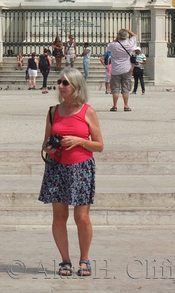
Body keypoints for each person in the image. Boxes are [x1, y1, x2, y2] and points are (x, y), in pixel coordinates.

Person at [39, 67, 104, 277]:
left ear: (76, 86)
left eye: (65, 83)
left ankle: (84, 258)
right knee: (59, 217)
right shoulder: (53, 111)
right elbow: (45, 143)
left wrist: (79, 141)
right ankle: (65, 260)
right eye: (59, 82)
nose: (60, 86)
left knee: (81, 217)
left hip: (81, 169)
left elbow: (100, 145)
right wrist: (51, 147)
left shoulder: (88, 111)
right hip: (57, 168)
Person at [107, 29, 137, 112]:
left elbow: (108, 47)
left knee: (115, 88)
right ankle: (126, 105)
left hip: (115, 69)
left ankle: (114, 106)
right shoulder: (129, 44)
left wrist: (116, 39)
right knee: (126, 88)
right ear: (126, 36)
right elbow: (135, 36)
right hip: (127, 68)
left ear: (118, 36)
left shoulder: (113, 45)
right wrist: (128, 30)